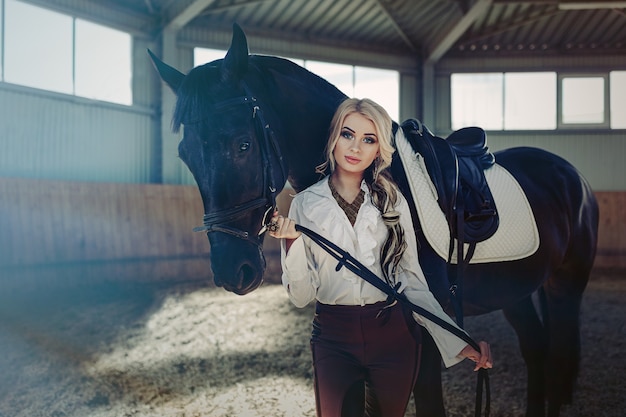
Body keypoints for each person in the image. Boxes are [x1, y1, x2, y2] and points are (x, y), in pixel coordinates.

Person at [267, 98, 492, 417]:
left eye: (368, 139)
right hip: (333, 338)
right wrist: (293, 245)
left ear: (378, 150)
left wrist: (458, 342)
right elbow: (302, 297)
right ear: (334, 138)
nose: (355, 147)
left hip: (393, 335)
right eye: (348, 134)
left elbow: (412, 283)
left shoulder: (393, 201)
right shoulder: (304, 204)